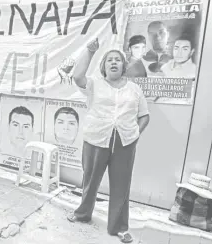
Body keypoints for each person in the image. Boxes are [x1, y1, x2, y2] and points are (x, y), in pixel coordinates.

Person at [63, 38, 150, 243]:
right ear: (103, 66)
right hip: (96, 139)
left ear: (123, 65)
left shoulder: (134, 89)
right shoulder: (94, 84)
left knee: (121, 185)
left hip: (125, 142)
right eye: (109, 60)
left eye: (117, 60)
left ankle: (119, 227)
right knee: (90, 180)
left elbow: (144, 115)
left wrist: (136, 132)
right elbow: (77, 76)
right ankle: (83, 213)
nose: (113, 62)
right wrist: (90, 51)